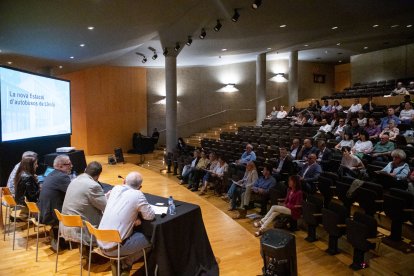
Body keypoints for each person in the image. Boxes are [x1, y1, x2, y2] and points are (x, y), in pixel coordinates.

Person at [98, 172, 155, 275]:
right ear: (140, 187)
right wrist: (136, 218)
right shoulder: (138, 194)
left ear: (124, 181)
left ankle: (122, 265)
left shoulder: (115, 189)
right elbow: (150, 216)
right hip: (115, 249)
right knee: (154, 238)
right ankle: (126, 264)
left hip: (100, 242)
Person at [61, 161, 107, 250]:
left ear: (85, 170)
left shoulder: (75, 180)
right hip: (82, 230)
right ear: (98, 176)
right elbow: (106, 207)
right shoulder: (93, 186)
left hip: (66, 225)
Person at [38, 155, 73, 250]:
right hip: (52, 216)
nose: (71, 166)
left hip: (43, 211)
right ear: (61, 166)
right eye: (69, 164)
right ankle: (81, 241)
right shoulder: (62, 177)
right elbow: (73, 194)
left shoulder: (51, 174)